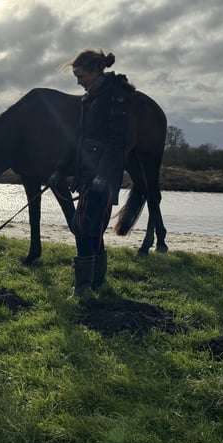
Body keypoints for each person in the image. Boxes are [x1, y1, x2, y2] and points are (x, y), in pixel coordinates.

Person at [49, 49, 135, 299]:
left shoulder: (115, 97)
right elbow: (78, 139)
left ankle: (83, 289)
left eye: (81, 76)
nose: (78, 82)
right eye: (76, 76)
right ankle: (95, 281)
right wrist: (61, 170)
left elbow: (117, 141)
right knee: (88, 226)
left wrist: (103, 176)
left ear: (97, 70)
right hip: (86, 173)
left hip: (102, 177)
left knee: (87, 227)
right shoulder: (91, 98)